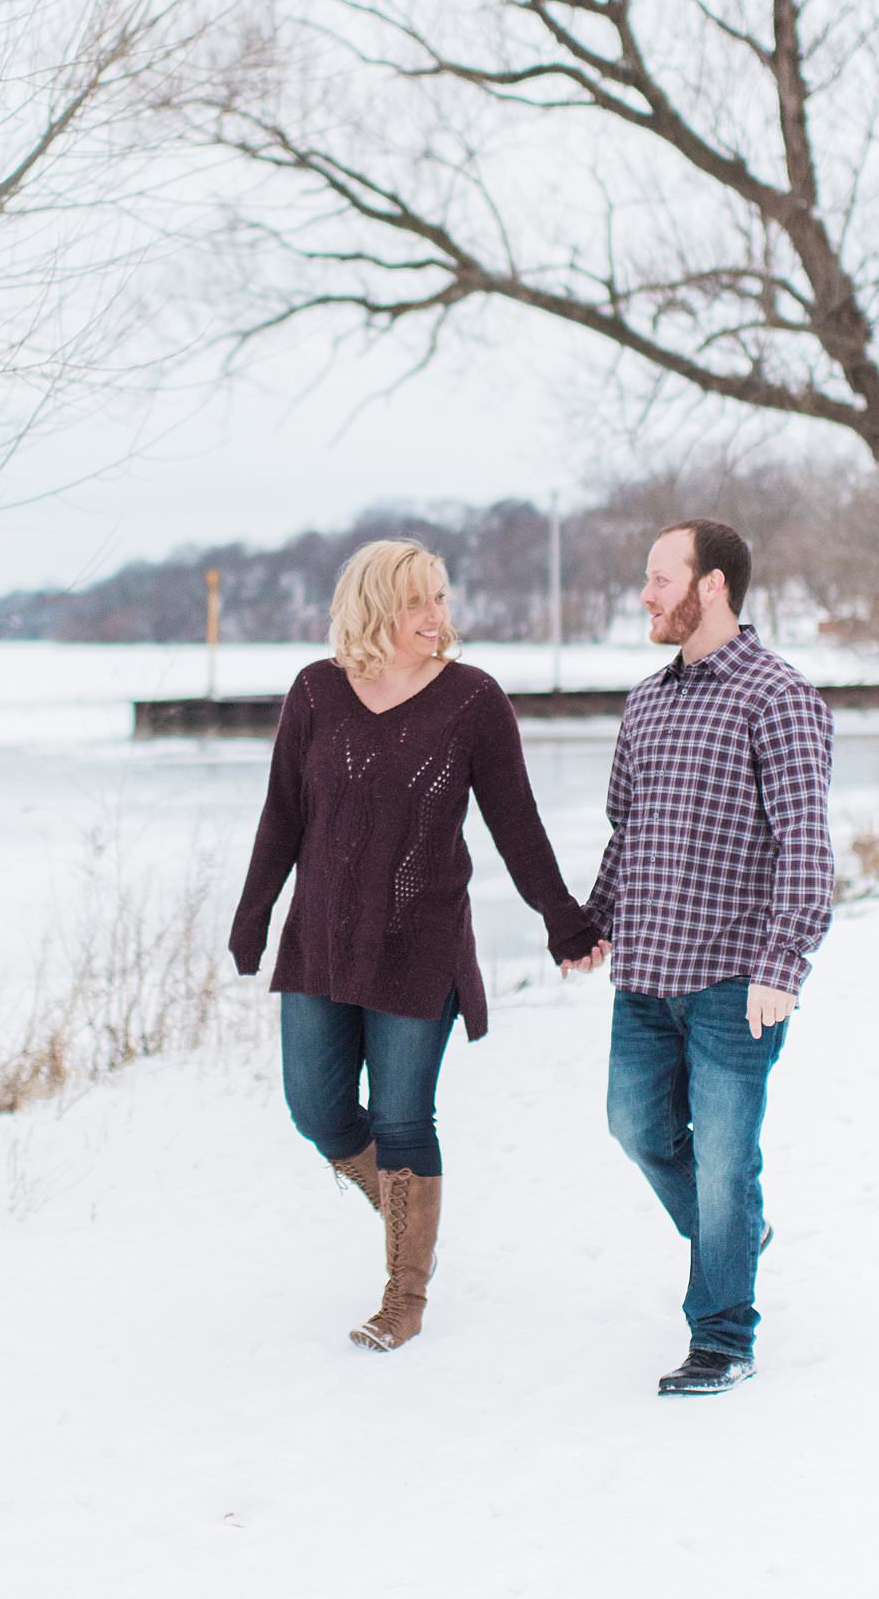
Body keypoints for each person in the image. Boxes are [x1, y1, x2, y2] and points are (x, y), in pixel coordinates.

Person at [230, 538, 604, 1353]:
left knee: (403, 1118)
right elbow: (282, 816)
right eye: (416, 602)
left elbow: (517, 825)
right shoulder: (316, 692)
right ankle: (408, 1211)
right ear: (371, 608)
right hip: (320, 942)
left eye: (440, 597)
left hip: (419, 943)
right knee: (316, 1107)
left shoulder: (473, 700)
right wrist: (252, 914)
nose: (437, 616)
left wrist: (564, 921)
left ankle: (406, 1288)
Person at [572, 519, 834, 1397]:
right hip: (646, 971)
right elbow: (627, 833)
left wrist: (782, 963)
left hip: (735, 980)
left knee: (727, 1161)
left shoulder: (779, 697)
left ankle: (722, 1336)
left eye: (658, 578)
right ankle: (736, 1235)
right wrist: (592, 922)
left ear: (711, 584)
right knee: (635, 1127)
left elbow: (804, 843)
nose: (645, 594)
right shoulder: (646, 700)